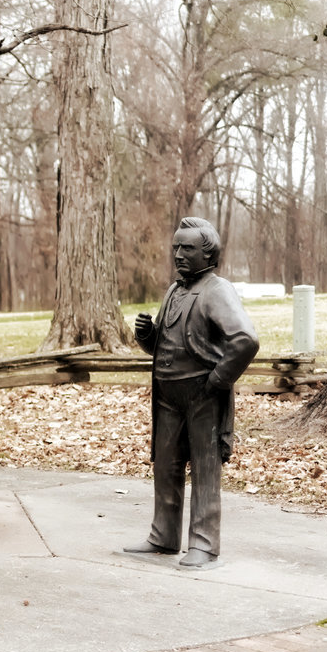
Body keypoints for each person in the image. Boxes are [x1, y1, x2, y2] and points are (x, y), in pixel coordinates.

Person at [124, 217, 259, 568]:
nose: (179, 255)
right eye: (176, 248)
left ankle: (203, 543)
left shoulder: (217, 290)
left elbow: (245, 340)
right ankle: (164, 535)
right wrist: (146, 337)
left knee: (204, 468)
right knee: (166, 466)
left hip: (203, 396)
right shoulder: (174, 290)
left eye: (188, 249)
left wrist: (217, 381)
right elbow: (168, 346)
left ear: (208, 254)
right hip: (168, 397)